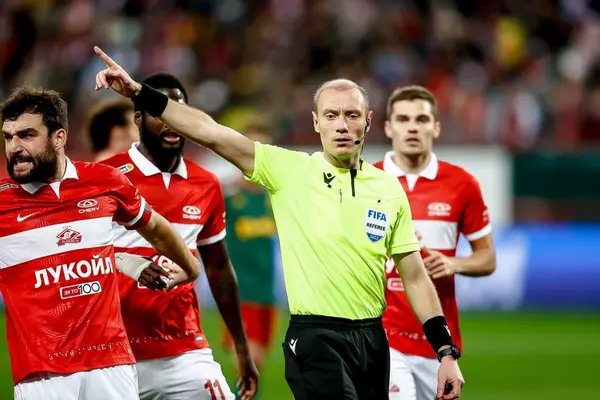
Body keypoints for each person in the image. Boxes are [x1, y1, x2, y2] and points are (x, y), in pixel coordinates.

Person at [93, 46, 465, 400]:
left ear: (367, 122)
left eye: (352, 115)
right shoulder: (289, 171)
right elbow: (212, 132)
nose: (341, 125)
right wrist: (140, 93)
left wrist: (445, 350)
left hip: (372, 339)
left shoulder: (388, 187)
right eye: (331, 115)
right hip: (315, 336)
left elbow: (415, 276)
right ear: (316, 122)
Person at [0, 86, 202, 400]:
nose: (14, 147)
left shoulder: (105, 181)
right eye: (8, 137)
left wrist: (191, 268)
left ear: (59, 137)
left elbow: (156, 227)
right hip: (42, 375)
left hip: (112, 366)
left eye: (27, 135)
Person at [102, 73, 258, 400]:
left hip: (184, 350)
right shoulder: (108, 177)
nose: (170, 121)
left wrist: (242, 350)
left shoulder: (206, 184)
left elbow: (218, 269)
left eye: (176, 111)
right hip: (114, 353)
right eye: (158, 112)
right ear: (138, 118)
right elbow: (77, 255)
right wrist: (126, 263)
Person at [374, 85, 496, 400]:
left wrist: (454, 263)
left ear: (436, 127)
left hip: (439, 342)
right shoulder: (367, 181)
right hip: (382, 337)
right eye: (403, 119)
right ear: (388, 127)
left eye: (421, 119)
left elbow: (487, 258)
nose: (412, 127)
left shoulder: (462, 184)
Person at [221, 121, 278, 374]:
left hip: (266, 291)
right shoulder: (228, 197)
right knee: (248, 361)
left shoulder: (272, 197)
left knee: (259, 362)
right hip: (240, 292)